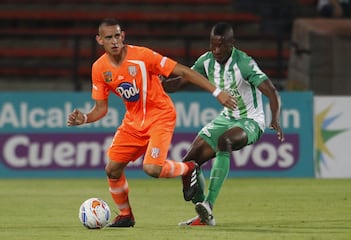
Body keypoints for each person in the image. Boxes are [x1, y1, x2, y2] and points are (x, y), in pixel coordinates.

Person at [67, 18, 237, 228]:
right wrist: (84, 118)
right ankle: (126, 215)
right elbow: (101, 109)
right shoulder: (99, 68)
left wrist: (217, 92)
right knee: (112, 169)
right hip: (133, 122)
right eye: (108, 37)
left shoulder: (143, 56)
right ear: (99, 40)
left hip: (160, 116)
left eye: (117, 35)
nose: (114, 41)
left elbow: (183, 71)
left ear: (123, 36)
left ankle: (189, 168)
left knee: (152, 169)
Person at [162, 22, 284, 226]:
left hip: (251, 121)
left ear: (232, 43)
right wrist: (161, 85)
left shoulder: (244, 63)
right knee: (189, 165)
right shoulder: (206, 61)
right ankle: (204, 216)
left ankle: (209, 204)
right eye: (213, 45)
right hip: (226, 118)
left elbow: (271, 91)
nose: (217, 50)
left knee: (224, 141)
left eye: (222, 46)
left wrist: (274, 119)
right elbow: (182, 82)